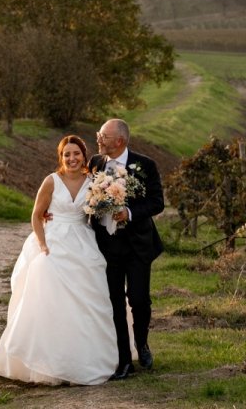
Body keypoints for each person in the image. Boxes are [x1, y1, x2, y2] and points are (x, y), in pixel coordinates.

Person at [0, 135, 117, 385]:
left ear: (84, 155)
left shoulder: (93, 181)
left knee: (88, 302)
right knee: (50, 301)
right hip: (54, 242)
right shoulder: (51, 181)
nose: (72, 158)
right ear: (61, 157)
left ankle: (84, 360)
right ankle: (47, 363)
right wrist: (43, 244)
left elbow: (100, 214)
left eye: (76, 153)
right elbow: (36, 216)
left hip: (83, 243)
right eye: (67, 154)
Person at [90, 118, 165, 380]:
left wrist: (130, 212)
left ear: (119, 140)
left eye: (103, 135)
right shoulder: (95, 163)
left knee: (138, 299)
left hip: (137, 246)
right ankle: (123, 361)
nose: (99, 139)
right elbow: (84, 196)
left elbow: (157, 202)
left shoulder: (145, 165)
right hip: (106, 246)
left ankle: (141, 343)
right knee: (114, 303)